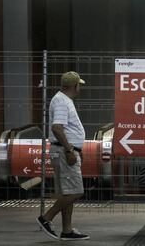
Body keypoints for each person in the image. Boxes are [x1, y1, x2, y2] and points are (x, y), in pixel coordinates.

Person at [36, 71, 89, 240]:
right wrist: (69, 150)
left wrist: (76, 148)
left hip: (66, 150)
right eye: (79, 85)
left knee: (68, 192)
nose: (79, 87)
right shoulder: (61, 102)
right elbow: (57, 127)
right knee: (76, 191)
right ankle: (46, 218)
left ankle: (67, 230)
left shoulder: (63, 100)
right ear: (75, 86)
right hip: (64, 151)